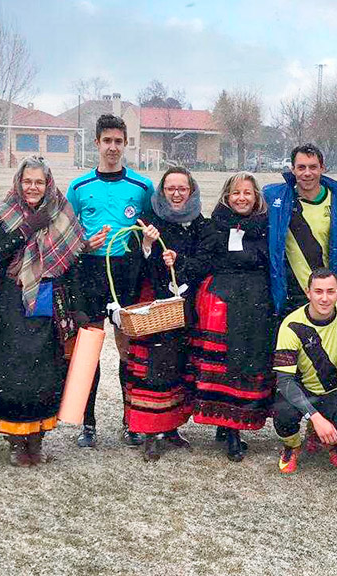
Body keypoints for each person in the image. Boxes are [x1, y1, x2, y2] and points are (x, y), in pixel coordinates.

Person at [0, 156, 86, 466]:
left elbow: (73, 260)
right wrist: (26, 229)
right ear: (18, 183)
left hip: (50, 295)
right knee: (12, 370)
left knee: (45, 369)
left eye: (39, 182)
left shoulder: (62, 212)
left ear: (48, 184)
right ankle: (14, 439)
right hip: (9, 299)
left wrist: (77, 309)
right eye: (27, 181)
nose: (33, 187)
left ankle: (37, 438)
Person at [66, 114, 155, 449]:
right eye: (107, 141)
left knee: (128, 350)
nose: (113, 147)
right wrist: (83, 245)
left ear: (125, 144)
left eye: (119, 141)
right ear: (97, 144)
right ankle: (86, 424)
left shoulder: (142, 187)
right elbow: (68, 235)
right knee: (87, 350)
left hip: (127, 273)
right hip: (89, 273)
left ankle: (131, 421)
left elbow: (150, 225)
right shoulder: (79, 187)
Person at [122, 167, 209, 462]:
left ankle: (171, 427)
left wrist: (180, 260)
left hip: (185, 306)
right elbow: (136, 265)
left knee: (179, 367)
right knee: (154, 370)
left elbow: (205, 260)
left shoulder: (199, 223)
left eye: (181, 188)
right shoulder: (151, 222)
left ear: (191, 191)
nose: (176, 193)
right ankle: (150, 431)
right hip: (157, 309)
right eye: (170, 188)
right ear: (162, 192)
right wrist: (147, 245)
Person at [190, 173, 274, 462]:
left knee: (249, 362)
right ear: (227, 196)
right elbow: (202, 262)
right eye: (236, 193)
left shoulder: (267, 226)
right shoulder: (215, 226)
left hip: (256, 302)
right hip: (223, 302)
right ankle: (229, 428)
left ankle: (235, 423)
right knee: (226, 366)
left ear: (256, 197)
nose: (241, 198)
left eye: (247, 193)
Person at [273, 269, 337, 473]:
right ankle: (292, 446)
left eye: (330, 291)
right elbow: (285, 381)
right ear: (308, 293)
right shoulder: (291, 325)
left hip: (333, 392)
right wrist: (315, 416)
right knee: (283, 415)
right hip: (301, 391)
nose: (324, 298)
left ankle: (332, 442)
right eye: (318, 291)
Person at [265, 144, 337, 316]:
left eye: (313, 167)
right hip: (291, 294)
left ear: (322, 168)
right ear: (292, 169)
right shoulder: (274, 197)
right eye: (301, 167)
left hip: (325, 294)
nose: (307, 173)